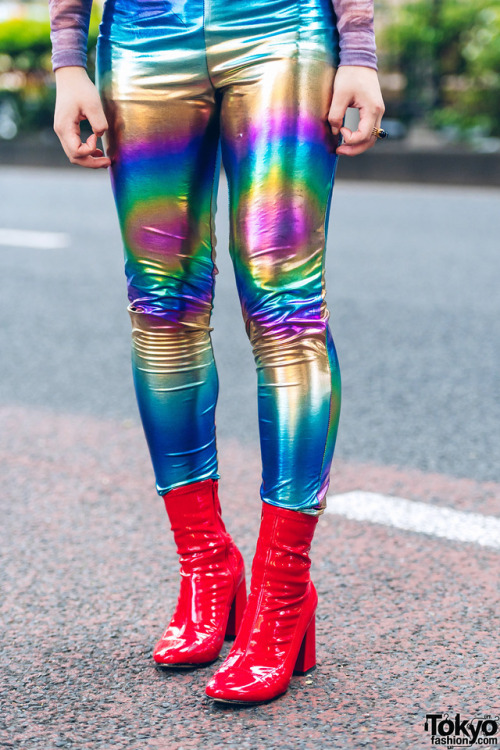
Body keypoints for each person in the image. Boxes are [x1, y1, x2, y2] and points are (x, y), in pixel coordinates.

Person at [48, 0, 385, 705]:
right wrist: (68, 56)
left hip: (280, 26)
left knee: (285, 308)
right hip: (142, 36)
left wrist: (358, 47)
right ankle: (206, 565)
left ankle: (283, 593)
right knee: (160, 306)